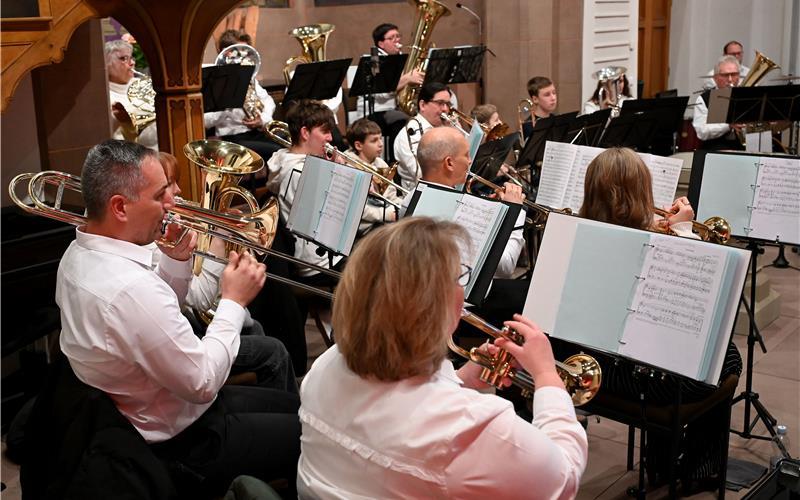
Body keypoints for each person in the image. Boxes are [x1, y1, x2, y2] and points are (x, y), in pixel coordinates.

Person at [57, 140, 301, 497]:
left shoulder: (78, 252)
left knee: (301, 411)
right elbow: (201, 381)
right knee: (311, 436)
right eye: (159, 196)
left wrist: (174, 261)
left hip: (171, 410)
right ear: (120, 207)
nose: (173, 204)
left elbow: (156, 321)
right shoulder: (128, 288)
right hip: (184, 444)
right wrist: (233, 302)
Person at [297, 217, 588, 498]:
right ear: (432, 308)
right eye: (457, 278)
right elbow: (564, 479)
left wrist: (460, 380)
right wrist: (547, 374)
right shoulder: (470, 425)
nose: (462, 290)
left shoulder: (326, 365)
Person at [576, 147, 743, 491]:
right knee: (725, 357)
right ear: (639, 194)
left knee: (667, 350)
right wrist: (683, 234)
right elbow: (693, 303)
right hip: (635, 378)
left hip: (588, 365)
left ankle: (662, 457)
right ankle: (694, 468)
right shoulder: (652, 245)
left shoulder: (576, 233)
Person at [156, 152, 300, 390]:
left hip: (201, 322)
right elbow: (200, 300)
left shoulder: (165, 227)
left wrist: (216, 230)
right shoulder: (152, 242)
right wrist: (220, 239)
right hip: (192, 335)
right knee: (272, 349)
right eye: (170, 184)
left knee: (254, 325)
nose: (180, 190)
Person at [266, 99, 343, 280]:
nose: (330, 138)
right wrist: (339, 176)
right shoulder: (299, 172)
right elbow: (331, 217)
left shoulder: (287, 159)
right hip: (319, 262)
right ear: (305, 133)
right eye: (325, 131)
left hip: (325, 252)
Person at [205, 29, 282, 166]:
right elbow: (206, 121)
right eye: (237, 54)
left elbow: (268, 101)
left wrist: (262, 119)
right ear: (225, 53)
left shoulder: (248, 78)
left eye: (246, 54)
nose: (242, 60)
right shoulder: (215, 82)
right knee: (277, 150)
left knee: (290, 143)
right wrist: (228, 101)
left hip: (255, 132)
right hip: (231, 138)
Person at [345, 118, 401, 234]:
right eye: (374, 140)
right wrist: (385, 214)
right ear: (358, 145)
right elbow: (356, 209)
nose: (381, 144)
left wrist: (399, 207)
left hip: (383, 221)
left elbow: (391, 195)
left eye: (380, 138)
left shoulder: (380, 163)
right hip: (363, 229)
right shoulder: (348, 167)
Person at [393, 82, 452, 190]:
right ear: (422, 105)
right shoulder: (409, 135)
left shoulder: (446, 128)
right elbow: (421, 174)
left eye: (447, 104)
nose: (445, 109)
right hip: (420, 196)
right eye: (440, 103)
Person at [105, 40, 158, 150]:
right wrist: (123, 120)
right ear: (106, 64)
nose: (132, 63)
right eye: (123, 58)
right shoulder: (104, 95)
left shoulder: (145, 85)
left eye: (132, 58)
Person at [693, 55, 745, 150]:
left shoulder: (746, 96)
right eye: (725, 75)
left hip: (743, 150)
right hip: (714, 151)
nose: (730, 79)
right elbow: (702, 132)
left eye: (734, 74)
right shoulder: (705, 98)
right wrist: (728, 125)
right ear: (715, 77)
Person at [521, 76, 558, 140]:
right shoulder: (528, 126)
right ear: (535, 99)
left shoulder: (558, 120)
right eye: (547, 95)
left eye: (554, 93)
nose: (553, 98)